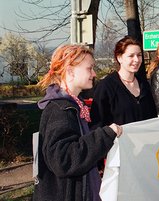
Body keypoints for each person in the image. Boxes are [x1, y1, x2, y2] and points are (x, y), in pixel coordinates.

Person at [33, 44, 122, 201]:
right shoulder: (60, 110)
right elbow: (64, 160)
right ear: (70, 71)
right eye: (89, 68)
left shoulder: (73, 106)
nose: (94, 73)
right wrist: (104, 135)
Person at [90, 35, 157, 129]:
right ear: (119, 58)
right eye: (131, 56)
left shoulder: (144, 85)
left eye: (139, 55)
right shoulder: (106, 86)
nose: (137, 60)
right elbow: (97, 123)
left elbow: (152, 118)